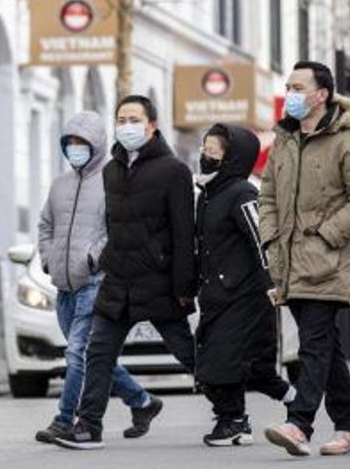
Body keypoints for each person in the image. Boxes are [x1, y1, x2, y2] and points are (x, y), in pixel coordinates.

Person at [54, 95, 197, 450]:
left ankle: (230, 413)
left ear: (152, 125)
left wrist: (184, 287)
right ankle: (88, 427)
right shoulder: (111, 171)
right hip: (118, 283)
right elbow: (109, 226)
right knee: (97, 352)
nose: (126, 126)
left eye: (134, 119)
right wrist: (101, 261)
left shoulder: (174, 170)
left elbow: (183, 233)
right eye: (121, 119)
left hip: (159, 282)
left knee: (189, 352)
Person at [259, 61, 350, 458]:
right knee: (324, 345)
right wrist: (270, 238)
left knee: (313, 344)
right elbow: (268, 195)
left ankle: (299, 424)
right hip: (289, 262)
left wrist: (329, 235)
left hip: (326, 260)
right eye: (289, 86)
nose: (291, 94)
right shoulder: (285, 139)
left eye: (298, 87)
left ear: (321, 94)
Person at [34, 111, 155, 444]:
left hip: (94, 283)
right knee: (91, 357)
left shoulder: (112, 179)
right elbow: (45, 225)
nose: (75, 148)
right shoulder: (59, 184)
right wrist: (47, 258)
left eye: (82, 142)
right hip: (63, 288)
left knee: (77, 355)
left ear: (97, 144)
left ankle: (64, 419)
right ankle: (142, 401)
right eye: (70, 142)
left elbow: (120, 227)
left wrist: (93, 257)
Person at [194, 123, 296, 447]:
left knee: (223, 362)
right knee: (217, 363)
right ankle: (246, 415)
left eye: (212, 152)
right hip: (215, 295)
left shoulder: (243, 192)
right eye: (204, 150)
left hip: (245, 295)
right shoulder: (207, 196)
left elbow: (261, 241)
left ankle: (234, 421)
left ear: (232, 158)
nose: (205, 157)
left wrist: (271, 282)